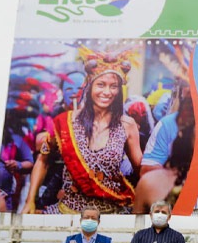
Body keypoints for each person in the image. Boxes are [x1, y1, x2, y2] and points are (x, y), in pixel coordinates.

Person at [22, 46, 142, 215]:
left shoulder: (127, 125)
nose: (107, 92)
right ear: (89, 86)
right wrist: (30, 201)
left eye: (113, 86)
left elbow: (141, 169)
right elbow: (43, 161)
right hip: (68, 211)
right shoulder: (66, 122)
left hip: (111, 212)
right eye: (101, 85)